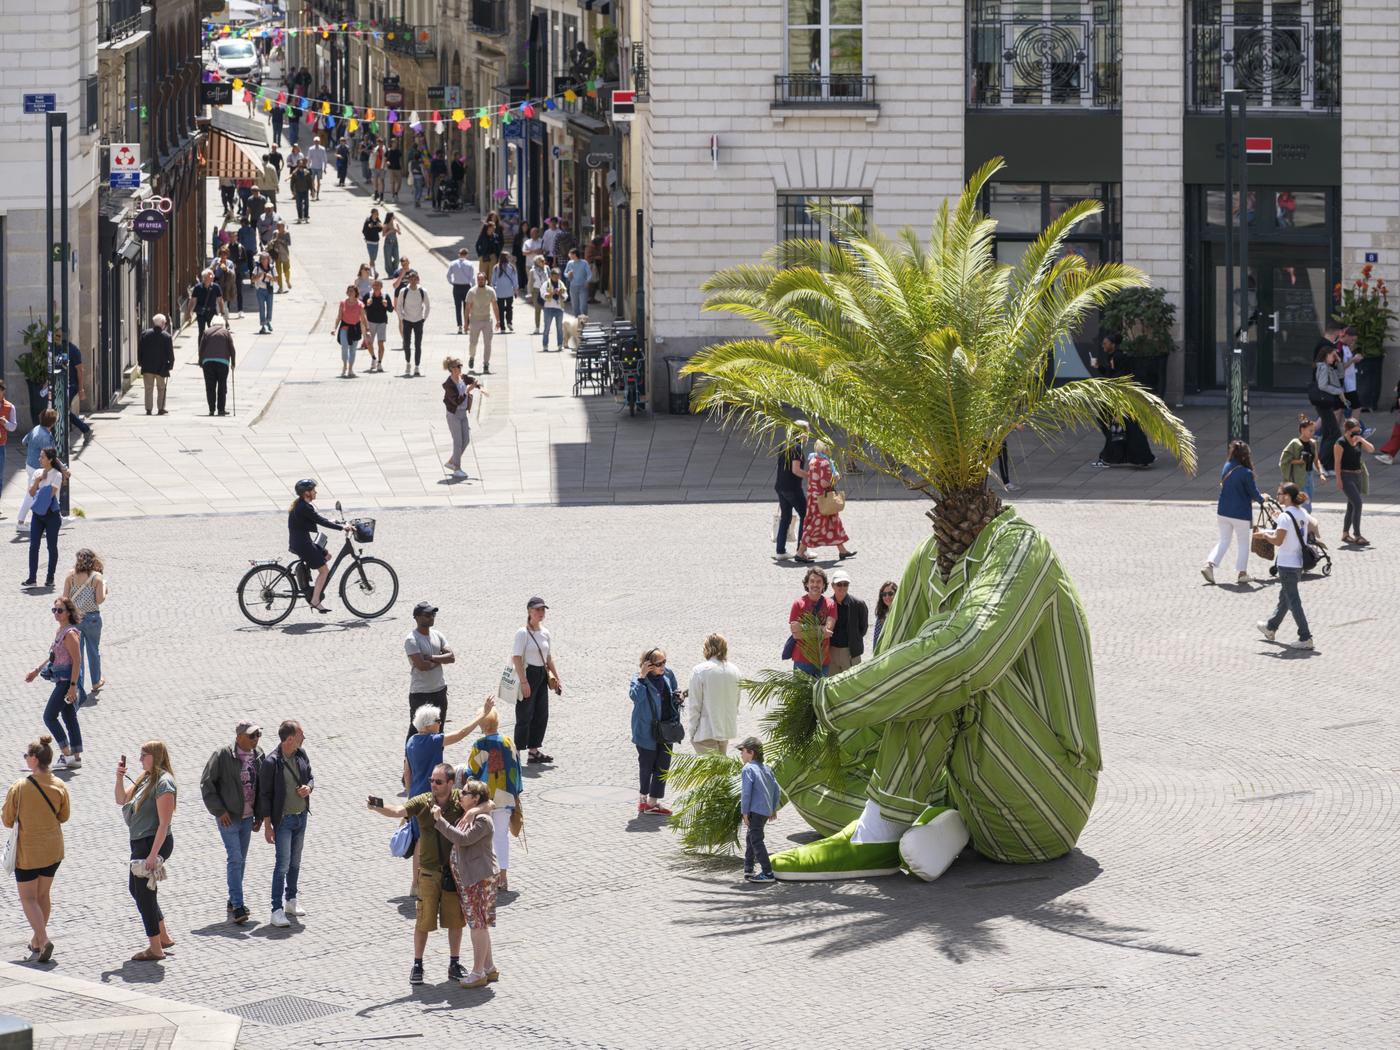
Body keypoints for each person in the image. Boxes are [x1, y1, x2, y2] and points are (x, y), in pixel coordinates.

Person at [369, 761, 470, 986]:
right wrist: (378, 806)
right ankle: (418, 964)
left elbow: (487, 803)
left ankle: (454, 963)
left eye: (438, 781)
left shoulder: (460, 801)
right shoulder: (423, 801)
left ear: (451, 783)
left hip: (453, 872)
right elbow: (398, 811)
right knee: (423, 921)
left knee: (455, 920)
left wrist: (472, 814)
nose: (433, 784)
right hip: (428, 873)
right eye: (431, 781)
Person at [3, 735, 70, 960]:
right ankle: (36, 941)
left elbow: (7, 819)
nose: (25, 758)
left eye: (26, 755)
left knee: (28, 898)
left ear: (33, 759)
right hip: (52, 850)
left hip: (28, 852)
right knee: (43, 895)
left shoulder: (20, 787)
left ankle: (43, 939)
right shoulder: (59, 785)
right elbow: (64, 815)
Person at [431, 779, 498, 988]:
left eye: (465, 793)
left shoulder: (482, 821)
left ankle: (478, 973)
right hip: (471, 880)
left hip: (478, 879)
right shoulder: (471, 814)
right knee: (480, 925)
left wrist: (440, 820)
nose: (460, 796)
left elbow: (463, 839)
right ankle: (489, 968)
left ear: (476, 798)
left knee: (477, 926)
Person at [115, 741, 177, 961]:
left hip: (152, 843)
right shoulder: (146, 778)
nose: (140, 759)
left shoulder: (164, 783)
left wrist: (152, 855)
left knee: (143, 893)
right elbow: (121, 799)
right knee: (138, 889)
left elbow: (163, 824)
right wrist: (119, 777)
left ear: (156, 756)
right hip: (141, 842)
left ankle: (155, 948)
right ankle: (163, 936)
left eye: (144, 755)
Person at [199, 720, 264, 925]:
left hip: (247, 817)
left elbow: (262, 787)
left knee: (240, 861)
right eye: (251, 736)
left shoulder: (259, 755)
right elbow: (206, 783)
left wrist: (260, 816)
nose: (256, 739)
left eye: (257, 735)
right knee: (235, 858)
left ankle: (232, 898)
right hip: (229, 817)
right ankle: (237, 905)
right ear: (239, 737)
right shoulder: (223, 755)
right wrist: (219, 811)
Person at [462, 707, 522, 890]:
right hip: (505, 797)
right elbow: (516, 769)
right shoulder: (508, 741)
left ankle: (488, 875)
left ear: (483, 725)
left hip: (485, 798)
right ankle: (503, 876)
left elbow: (471, 771)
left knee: (485, 837)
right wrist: (516, 794)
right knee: (501, 836)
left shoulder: (480, 745)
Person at [1254, 482, 1316, 651]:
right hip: (1297, 563)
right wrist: (1276, 520)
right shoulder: (1301, 513)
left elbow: (1278, 540)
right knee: (1285, 598)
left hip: (1287, 563)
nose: (1277, 496)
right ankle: (1270, 627)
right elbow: (1291, 532)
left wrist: (1265, 536)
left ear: (1287, 496)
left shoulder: (1285, 516)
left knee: (1293, 601)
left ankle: (1305, 637)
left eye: (1280, 493)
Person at [25, 597, 83, 769]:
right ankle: (76, 757)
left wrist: (73, 687)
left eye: (60, 610)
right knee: (69, 717)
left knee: (49, 716)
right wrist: (36, 671)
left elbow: (77, 661)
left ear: (69, 612)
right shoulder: (60, 631)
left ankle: (66, 754)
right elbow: (53, 656)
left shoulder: (70, 634)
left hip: (66, 682)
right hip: (61, 679)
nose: (56, 613)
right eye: (54, 610)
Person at [1203, 440, 1265, 585]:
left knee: (1224, 540)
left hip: (1223, 511)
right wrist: (1263, 499)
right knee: (1243, 543)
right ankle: (1242, 573)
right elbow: (1253, 492)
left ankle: (1209, 565)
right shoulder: (1246, 473)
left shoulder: (1227, 467)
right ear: (1245, 456)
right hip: (1240, 514)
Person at [1090, 332, 1156, 468]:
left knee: (1116, 428)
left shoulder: (1117, 358)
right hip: (1121, 398)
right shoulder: (1115, 357)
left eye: (1105, 344)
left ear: (1112, 345)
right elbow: (1113, 374)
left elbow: (1116, 377)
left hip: (1119, 399)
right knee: (1128, 429)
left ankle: (1109, 457)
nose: (1103, 346)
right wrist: (1099, 368)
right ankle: (1142, 457)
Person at [512, 597, 563, 765]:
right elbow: (516, 657)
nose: (541, 613)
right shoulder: (522, 633)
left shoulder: (545, 632)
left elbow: (548, 657)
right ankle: (517, 751)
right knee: (524, 714)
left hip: (542, 674)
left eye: (543, 610)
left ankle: (533, 751)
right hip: (528, 673)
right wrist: (524, 681)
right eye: (537, 610)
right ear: (529, 611)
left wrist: (557, 677)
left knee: (541, 714)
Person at [630, 649, 679, 816]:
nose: (663, 666)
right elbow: (635, 697)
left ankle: (653, 802)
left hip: (666, 729)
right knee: (647, 765)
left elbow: (674, 690)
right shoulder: (638, 679)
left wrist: (678, 696)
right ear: (648, 665)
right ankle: (643, 800)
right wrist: (642, 677)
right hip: (646, 730)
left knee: (663, 765)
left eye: (664, 661)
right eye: (659, 664)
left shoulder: (668, 674)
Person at [287, 479, 345, 613]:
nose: (315, 492)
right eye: (313, 490)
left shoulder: (301, 505)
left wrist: (333, 522)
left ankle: (306, 581)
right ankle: (315, 600)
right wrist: (342, 528)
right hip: (303, 544)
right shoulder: (304, 507)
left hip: (301, 542)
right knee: (324, 571)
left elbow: (316, 519)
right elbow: (319, 520)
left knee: (327, 555)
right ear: (306, 493)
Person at [796, 440, 855, 562]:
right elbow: (824, 483)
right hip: (822, 499)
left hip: (813, 498)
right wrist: (836, 478)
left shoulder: (813, 460)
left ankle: (842, 551)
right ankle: (800, 552)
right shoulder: (824, 463)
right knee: (814, 525)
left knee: (833, 522)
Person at [406, 601, 455, 739]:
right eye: (427, 614)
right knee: (416, 732)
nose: (431, 617)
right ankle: (409, 759)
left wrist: (432, 658)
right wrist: (439, 660)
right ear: (416, 617)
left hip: (439, 691)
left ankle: (436, 760)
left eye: (433, 614)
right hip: (420, 694)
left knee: (438, 732)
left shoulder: (437, 635)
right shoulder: (411, 640)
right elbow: (422, 666)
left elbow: (451, 657)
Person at [63, 548, 107, 702]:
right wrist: (105, 590)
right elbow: (100, 600)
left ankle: (79, 685)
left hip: (75, 619)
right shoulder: (97, 577)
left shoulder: (70, 575)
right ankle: (96, 681)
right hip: (93, 619)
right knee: (93, 650)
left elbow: (65, 599)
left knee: (77, 654)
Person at [686, 634, 741, 755]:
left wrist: (692, 732)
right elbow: (736, 701)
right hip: (725, 730)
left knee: (709, 773)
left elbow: (695, 705)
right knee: (721, 772)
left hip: (705, 731)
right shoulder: (735, 670)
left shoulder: (699, 671)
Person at [737, 736, 780, 884]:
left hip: (755, 811)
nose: (741, 754)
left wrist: (744, 812)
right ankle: (748, 869)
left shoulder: (748, 769)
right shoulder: (766, 768)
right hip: (765, 811)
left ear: (751, 752)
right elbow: (776, 789)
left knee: (756, 840)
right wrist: (773, 808)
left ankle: (768, 872)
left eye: (742, 751)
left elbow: (746, 793)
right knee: (751, 837)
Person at [23, 448, 67, 588]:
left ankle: (50, 577)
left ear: (50, 459)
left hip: (51, 515)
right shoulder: (37, 473)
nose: (39, 459)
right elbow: (31, 493)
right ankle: (32, 578)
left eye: (42, 457)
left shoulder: (57, 475)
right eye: (40, 457)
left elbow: (50, 495)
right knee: (33, 546)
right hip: (37, 515)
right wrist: (37, 481)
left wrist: (40, 488)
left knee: (51, 546)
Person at [15, 409, 57, 536]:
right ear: (53, 422)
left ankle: (54, 516)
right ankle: (21, 523)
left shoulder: (36, 429)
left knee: (40, 493)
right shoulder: (44, 436)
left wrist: (33, 448)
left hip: (30, 465)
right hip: (37, 469)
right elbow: (51, 456)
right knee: (33, 495)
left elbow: (24, 441)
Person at [1280, 414, 1327, 524]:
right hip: (1298, 476)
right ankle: (1305, 526)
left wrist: (1321, 473)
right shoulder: (1295, 443)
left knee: (1308, 498)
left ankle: (1302, 525)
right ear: (1302, 430)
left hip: (1309, 474)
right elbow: (1284, 460)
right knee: (1306, 502)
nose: (1312, 433)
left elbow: (1316, 460)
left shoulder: (1313, 443)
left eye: (1313, 430)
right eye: (1310, 430)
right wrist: (1299, 461)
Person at [789, 567, 836, 678]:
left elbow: (828, 632)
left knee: (820, 695)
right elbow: (795, 633)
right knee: (800, 695)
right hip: (801, 660)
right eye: (812, 581)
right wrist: (820, 630)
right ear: (807, 584)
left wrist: (804, 629)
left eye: (819, 582)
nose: (815, 585)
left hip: (821, 661)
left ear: (824, 585)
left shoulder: (830, 604)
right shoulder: (798, 603)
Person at [1333, 418, 1374, 546]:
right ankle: (1357, 535)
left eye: (1359, 431)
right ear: (1348, 430)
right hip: (1346, 476)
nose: (1357, 434)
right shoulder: (1340, 443)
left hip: (1357, 476)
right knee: (1358, 503)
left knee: (1351, 506)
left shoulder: (1358, 441)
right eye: (1355, 432)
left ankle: (1345, 534)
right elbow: (1337, 463)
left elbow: (1371, 450)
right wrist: (1338, 479)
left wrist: (1361, 439)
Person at [443, 357, 484, 479]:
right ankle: (457, 468)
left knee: (466, 440)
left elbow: (472, 380)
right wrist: (467, 391)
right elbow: (456, 401)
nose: (459, 369)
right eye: (457, 367)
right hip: (453, 415)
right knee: (458, 442)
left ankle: (451, 461)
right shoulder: (449, 385)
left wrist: (478, 386)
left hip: (463, 414)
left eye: (460, 366)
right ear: (451, 369)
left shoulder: (462, 377)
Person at [774, 425, 808, 559]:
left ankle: (780, 551)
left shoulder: (785, 444)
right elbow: (796, 470)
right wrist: (811, 475)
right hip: (792, 488)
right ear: (802, 433)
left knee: (786, 517)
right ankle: (801, 550)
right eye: (807, 431)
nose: (808, 434)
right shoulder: (797, 448)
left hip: (780, 486)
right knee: (805, 516)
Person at [827, 569, 869, 673]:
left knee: (853, 686)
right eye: (839, 584)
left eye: (845, 584)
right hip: (832, 651)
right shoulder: (827, 604)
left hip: (850, 652)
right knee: (832, 685)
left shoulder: (858, 604)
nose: (842, 587)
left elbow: (863, 629)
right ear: (833, 586)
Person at [1311, 343, 1346, 453]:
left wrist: (1339, 362)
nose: (1334, 358)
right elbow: (1322, 385)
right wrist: (1338, 391)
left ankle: (1323, 457)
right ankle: (1324, 458)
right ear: (1326, 356)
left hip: (1327, 403)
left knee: (1328, 431)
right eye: (1333, 355)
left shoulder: (1328, 367)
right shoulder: (1324, 368)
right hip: (1324, 403)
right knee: (1334, 432)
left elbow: (1340, 376)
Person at [198, 318, 236, 417]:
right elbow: (232, 349)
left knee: (210, 386)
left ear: (212, 324)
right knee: (222, 386)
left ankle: (211, 409)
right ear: (222, 324)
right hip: (222, 363)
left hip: (208, 362)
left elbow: (201, 348)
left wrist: (200, 361)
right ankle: (221, 410)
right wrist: (233, 363)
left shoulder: (206, 332)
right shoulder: (226, 333)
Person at [137, 314, 174, 415]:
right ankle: (160, 408)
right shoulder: (167, 336)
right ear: (162, 323)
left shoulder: (145, 334)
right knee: (161, 388)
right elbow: (170, 354)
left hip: (147, 367)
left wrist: (140, 362)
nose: (165, 324)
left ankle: (148, 409)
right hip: (161, 368)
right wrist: (170, 366)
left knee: (148, 388)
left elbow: (140, 350)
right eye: (165, 323)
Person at [397, 271, 430, 376]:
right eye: (411, 278)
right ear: (408, 279)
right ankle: (408, 363)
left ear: (418, 279)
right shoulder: (404, 291)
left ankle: (417, 366)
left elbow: (427, 305)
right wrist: (402, 317)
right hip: (407, 320)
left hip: (418, 321)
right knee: (406, 343)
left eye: (415, 278)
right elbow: (399, 306)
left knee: (418, 344)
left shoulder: (422, 291)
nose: (413, 281)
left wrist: (424, 318)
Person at [465, 271, 497, 373]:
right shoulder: (472, 291)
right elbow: (467, 308)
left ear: (486, 280)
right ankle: (472, 357)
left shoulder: (491, 291)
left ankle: (486, 364)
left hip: (487, 320)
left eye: (482, 279)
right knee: (473, 343)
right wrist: (466, 323)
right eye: (479, 279)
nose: (480, 281)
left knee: (488, 343)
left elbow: (495, 306)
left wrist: (499, 320)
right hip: (475, 320)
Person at [362, 279, 395, 373]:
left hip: (382, 322)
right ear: (372, 286)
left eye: (378, 285)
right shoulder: (367, 296)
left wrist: (386, 305)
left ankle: (379, 363)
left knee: (381, 343)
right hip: (370, 322)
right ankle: (373, 358)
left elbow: (391, 309)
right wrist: (367, 304)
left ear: (381, 287)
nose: (376, 287)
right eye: (374, 285)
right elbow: (362, 309)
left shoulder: (385, 296)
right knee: (369, 342)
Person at [334, 284, 365, 378]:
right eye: (349, 291)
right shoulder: (343, 303)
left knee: (353, 350)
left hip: (355, 328)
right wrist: (334, 328)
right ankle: (344, 365)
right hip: (344, 327)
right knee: (344, 347)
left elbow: (363, 318)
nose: (350, 292)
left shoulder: (360, 304)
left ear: (356, 293)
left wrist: (366, 330)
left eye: (352, 291)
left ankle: (350, 369)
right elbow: (339, 317)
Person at [191, 268, 227, 343]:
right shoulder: (198, 287)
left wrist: (222, 311)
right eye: (210, 276)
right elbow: (193, 301)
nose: (212, 277)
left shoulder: (216, 287)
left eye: (212, 276)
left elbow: (220, 300)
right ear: (204, 278)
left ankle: (212, 349)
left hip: (212, 312)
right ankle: (201, 350)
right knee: (201, 332)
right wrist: (189, 313)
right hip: (201, 313)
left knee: (213, 331)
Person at [447, 249, 476, 334]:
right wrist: (473, 288)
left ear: (459, 254)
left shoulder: (453, 263)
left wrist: (452, 282)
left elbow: (448, 275)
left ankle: (459, 326)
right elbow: (472, 278)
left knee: (457, 307)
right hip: (466, 287)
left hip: (456, 287)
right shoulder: (470, 264)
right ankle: (467, 325)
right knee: (467, 307)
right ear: (466, 255)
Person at [540, 268, 568, 352]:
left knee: (559, 328)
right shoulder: (546, 284)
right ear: (551, 276)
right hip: (548, 308)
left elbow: (565, 297)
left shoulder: (561, 284)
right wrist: (552, 292)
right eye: (555, 276)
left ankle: (560, 344)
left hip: (559, 309)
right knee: (547, 328)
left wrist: (560, 294)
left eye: (558, 276)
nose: (557, 278)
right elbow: (543, 296)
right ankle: (545, 345)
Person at [491, 254, 518, 333]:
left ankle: (502, 327)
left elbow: (493, 281)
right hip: (509, 291)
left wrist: (494, 288)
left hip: (499, 292)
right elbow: (515, 280)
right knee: (509, 307)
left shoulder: (496, 267)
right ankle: (509, 322)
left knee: (501, 309)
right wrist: (516, 289)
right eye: (509, 257)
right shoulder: (512, 267)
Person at [252, 250, 276, 333]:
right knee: (262, 308)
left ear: (268, 260)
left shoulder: (272, 267)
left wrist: (271, 277)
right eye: (262, 259)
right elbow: (252, 279)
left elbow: (276, 279)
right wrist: (259, 276)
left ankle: (268, 321)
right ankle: (263, 326)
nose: (264, 261)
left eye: (266, 259)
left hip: (269, 290)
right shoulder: (257, 268)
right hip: (260, 290)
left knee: (269, 308)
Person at [564, 248, 592, 317]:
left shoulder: (584, 262)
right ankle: (577, 320)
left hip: (583, 286)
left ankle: (584, 319)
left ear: (574, 254)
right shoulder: (569, 263)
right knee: (575, 306)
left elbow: (589, 274)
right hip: (573, 287)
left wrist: (587, 281)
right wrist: (568, 275)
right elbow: (565, 273)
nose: (569, 255)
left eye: (570, 254)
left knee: (583, 305)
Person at [526, 253, 549, 335]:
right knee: (537, 309)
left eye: (543, 261)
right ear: (536, 262)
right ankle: (537, 327)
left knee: (546, 310)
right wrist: (529, 293)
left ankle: (547, 327)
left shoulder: (547, 268)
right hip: (536, 291)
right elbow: (530, 283)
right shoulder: (533, 270)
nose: (543, 262)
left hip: (546, 291)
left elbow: (549, 279)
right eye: (541, 261)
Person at [0, 379, 14, 510]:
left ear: (3, 391)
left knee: (0, 476)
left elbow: (13, 426)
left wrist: (5, 423)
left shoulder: (10, 407)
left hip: (1, 445)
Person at [872, 580, 898, 650]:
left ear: (897, 594)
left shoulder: (902, 612)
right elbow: (876, 639)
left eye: (890, 593)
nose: (887, 597)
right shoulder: (881, 616)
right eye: (884, 594)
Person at [269, 222, 292, 291]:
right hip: (277, 254)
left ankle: (287, 280)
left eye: (280, 226)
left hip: (284, 254)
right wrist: (274, 240)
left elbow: (289, 243)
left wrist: (281, 240)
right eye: (277, 226)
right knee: (278, 271)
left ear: (283, 227)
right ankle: (280, 287)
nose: (278, 227)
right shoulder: (275, 233)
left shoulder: (287, 234)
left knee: (286, 270)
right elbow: (271, 241)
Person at [382, 212, 401, 277]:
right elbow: (383, 235)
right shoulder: (385, 225)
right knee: (388, 258)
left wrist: (396, 230)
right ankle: (390, 273)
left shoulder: (396, 223)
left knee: (397, 258)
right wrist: (390, 231)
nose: (394, 217)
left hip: (395, 242)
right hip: (388, 242)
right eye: (393, 216)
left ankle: (394, 270)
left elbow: (399, 233)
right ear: (390, 217)